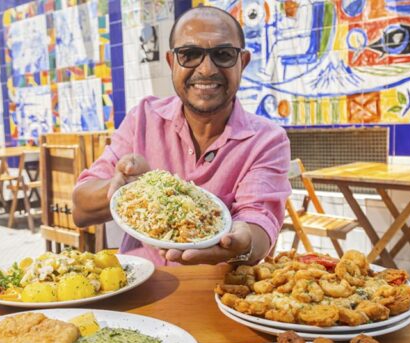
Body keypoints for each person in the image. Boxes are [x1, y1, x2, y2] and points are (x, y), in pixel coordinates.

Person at [73, 6, 291, 266]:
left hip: (216, 291)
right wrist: (123, 187)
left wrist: (243, 243)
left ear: (242, 62)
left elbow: (259, 223)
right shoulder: (143, 118)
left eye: (223, 54)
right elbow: (80, 210)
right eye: (190, 54)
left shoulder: (267, 141)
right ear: (171, 62)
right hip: (139, 285)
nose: (207, 69)